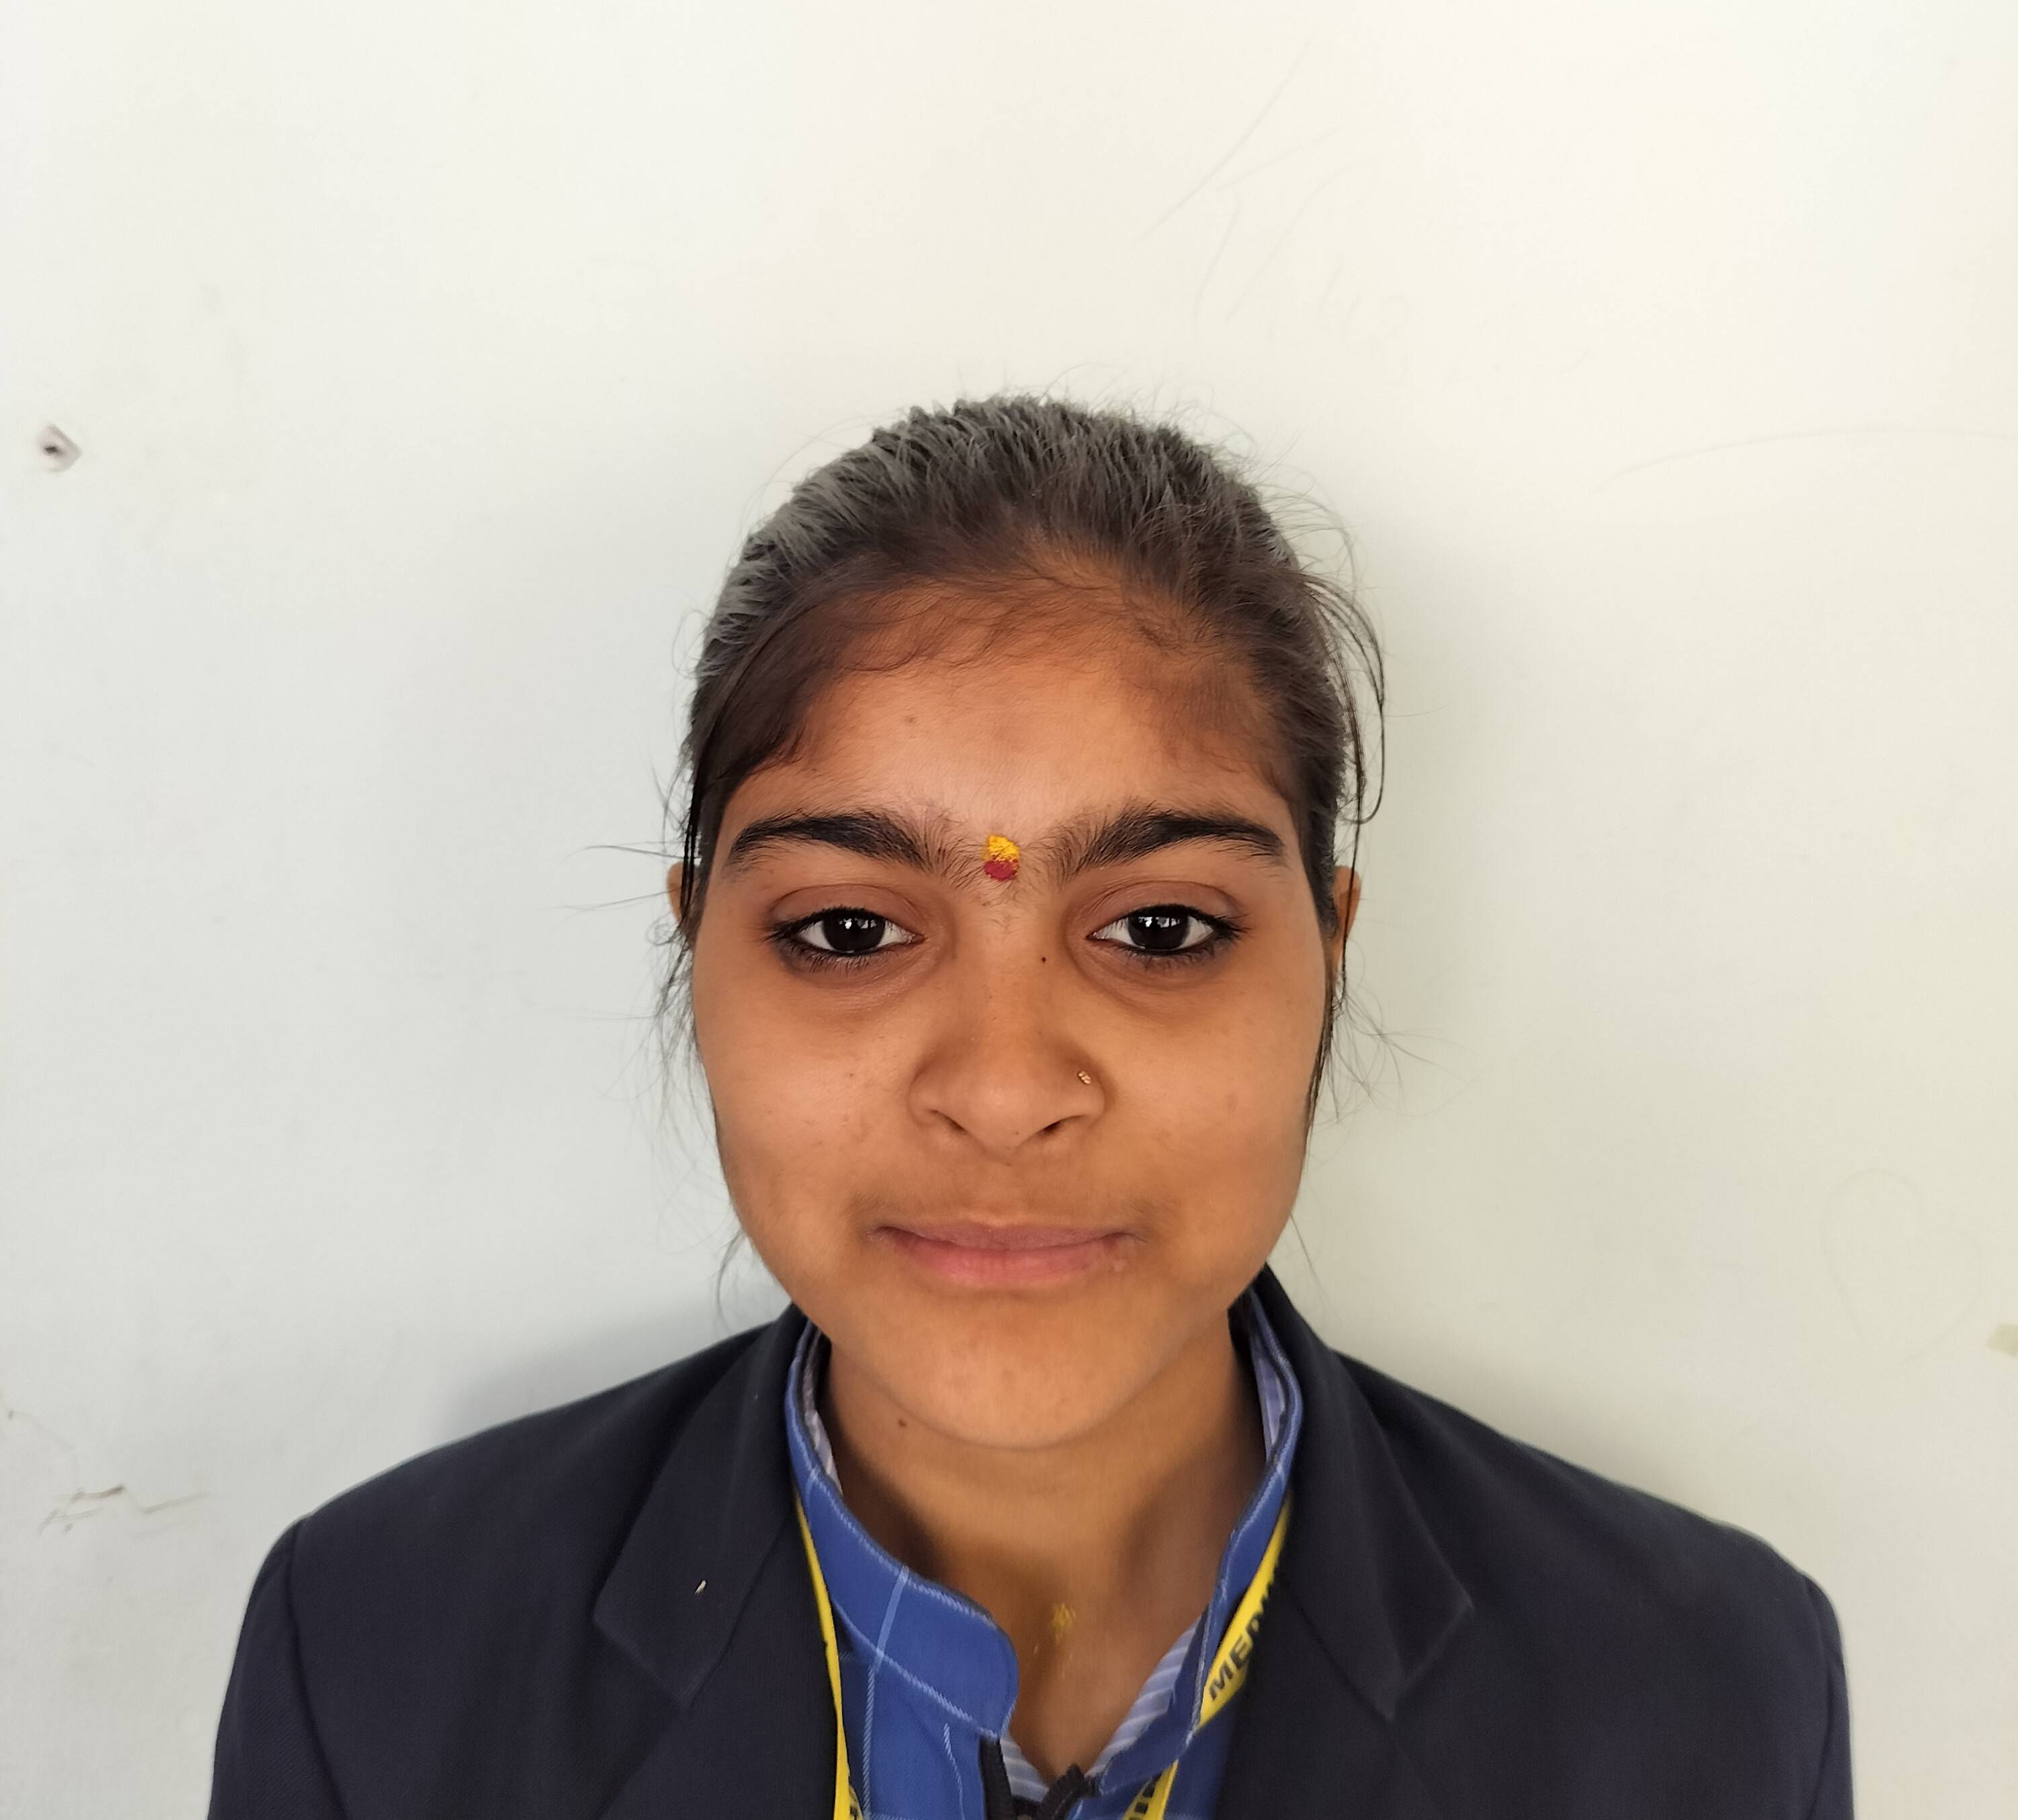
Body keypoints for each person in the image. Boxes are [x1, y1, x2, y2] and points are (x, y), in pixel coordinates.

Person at [208, 395, 1852, 1819]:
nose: (1003, 1093)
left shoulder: (1703, 1691)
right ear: (697, 950)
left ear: (1330, 951)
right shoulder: (375, 1658)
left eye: (1162, 930)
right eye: (849, 932)